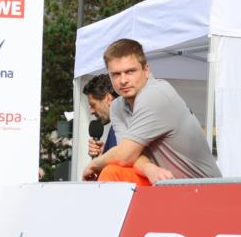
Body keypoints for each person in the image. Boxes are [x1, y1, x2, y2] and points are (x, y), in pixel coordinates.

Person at [82, 38, 221, 185]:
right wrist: (148, 168)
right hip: (167, 186)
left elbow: (124, 155)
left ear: (146, 70)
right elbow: (130, 156)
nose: (123, 81)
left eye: (130, 71)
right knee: (114, 170)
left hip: (206, 191)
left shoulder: (155, 94)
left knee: (112, 172)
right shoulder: (117, 107)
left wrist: (94, 163)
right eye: (116, 74)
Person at [82, 74, 119, 158]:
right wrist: (104, 155)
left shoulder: (125, 124)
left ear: (108, 99)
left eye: (93, 105)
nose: (91, 111)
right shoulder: (116, 125)